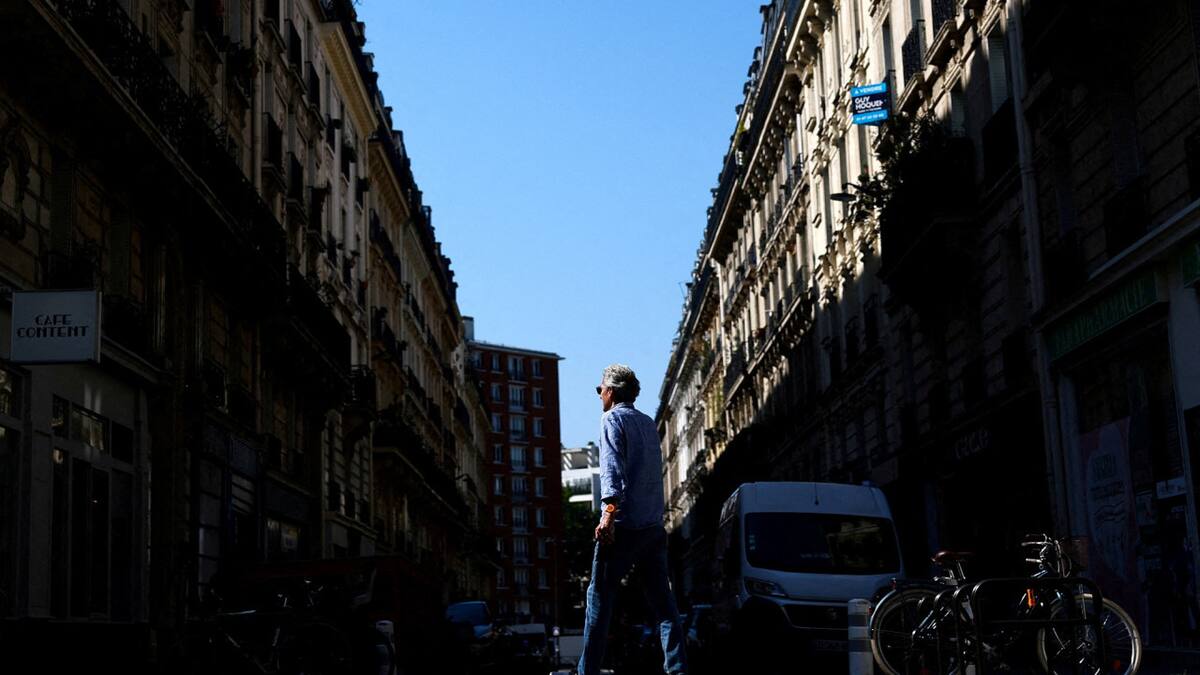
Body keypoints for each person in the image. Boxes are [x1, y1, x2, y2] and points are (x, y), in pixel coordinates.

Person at [577, 364, 688, 675]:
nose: (599, 396)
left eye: (600, 390)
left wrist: (608, 515)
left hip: (624, 525)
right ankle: (677, 669)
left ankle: (589, 670)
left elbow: (612, 470)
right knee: (664, 605)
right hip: (653, 526)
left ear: (610, 392)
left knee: (599, 599)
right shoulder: (648, 423)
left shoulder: (611, 419)